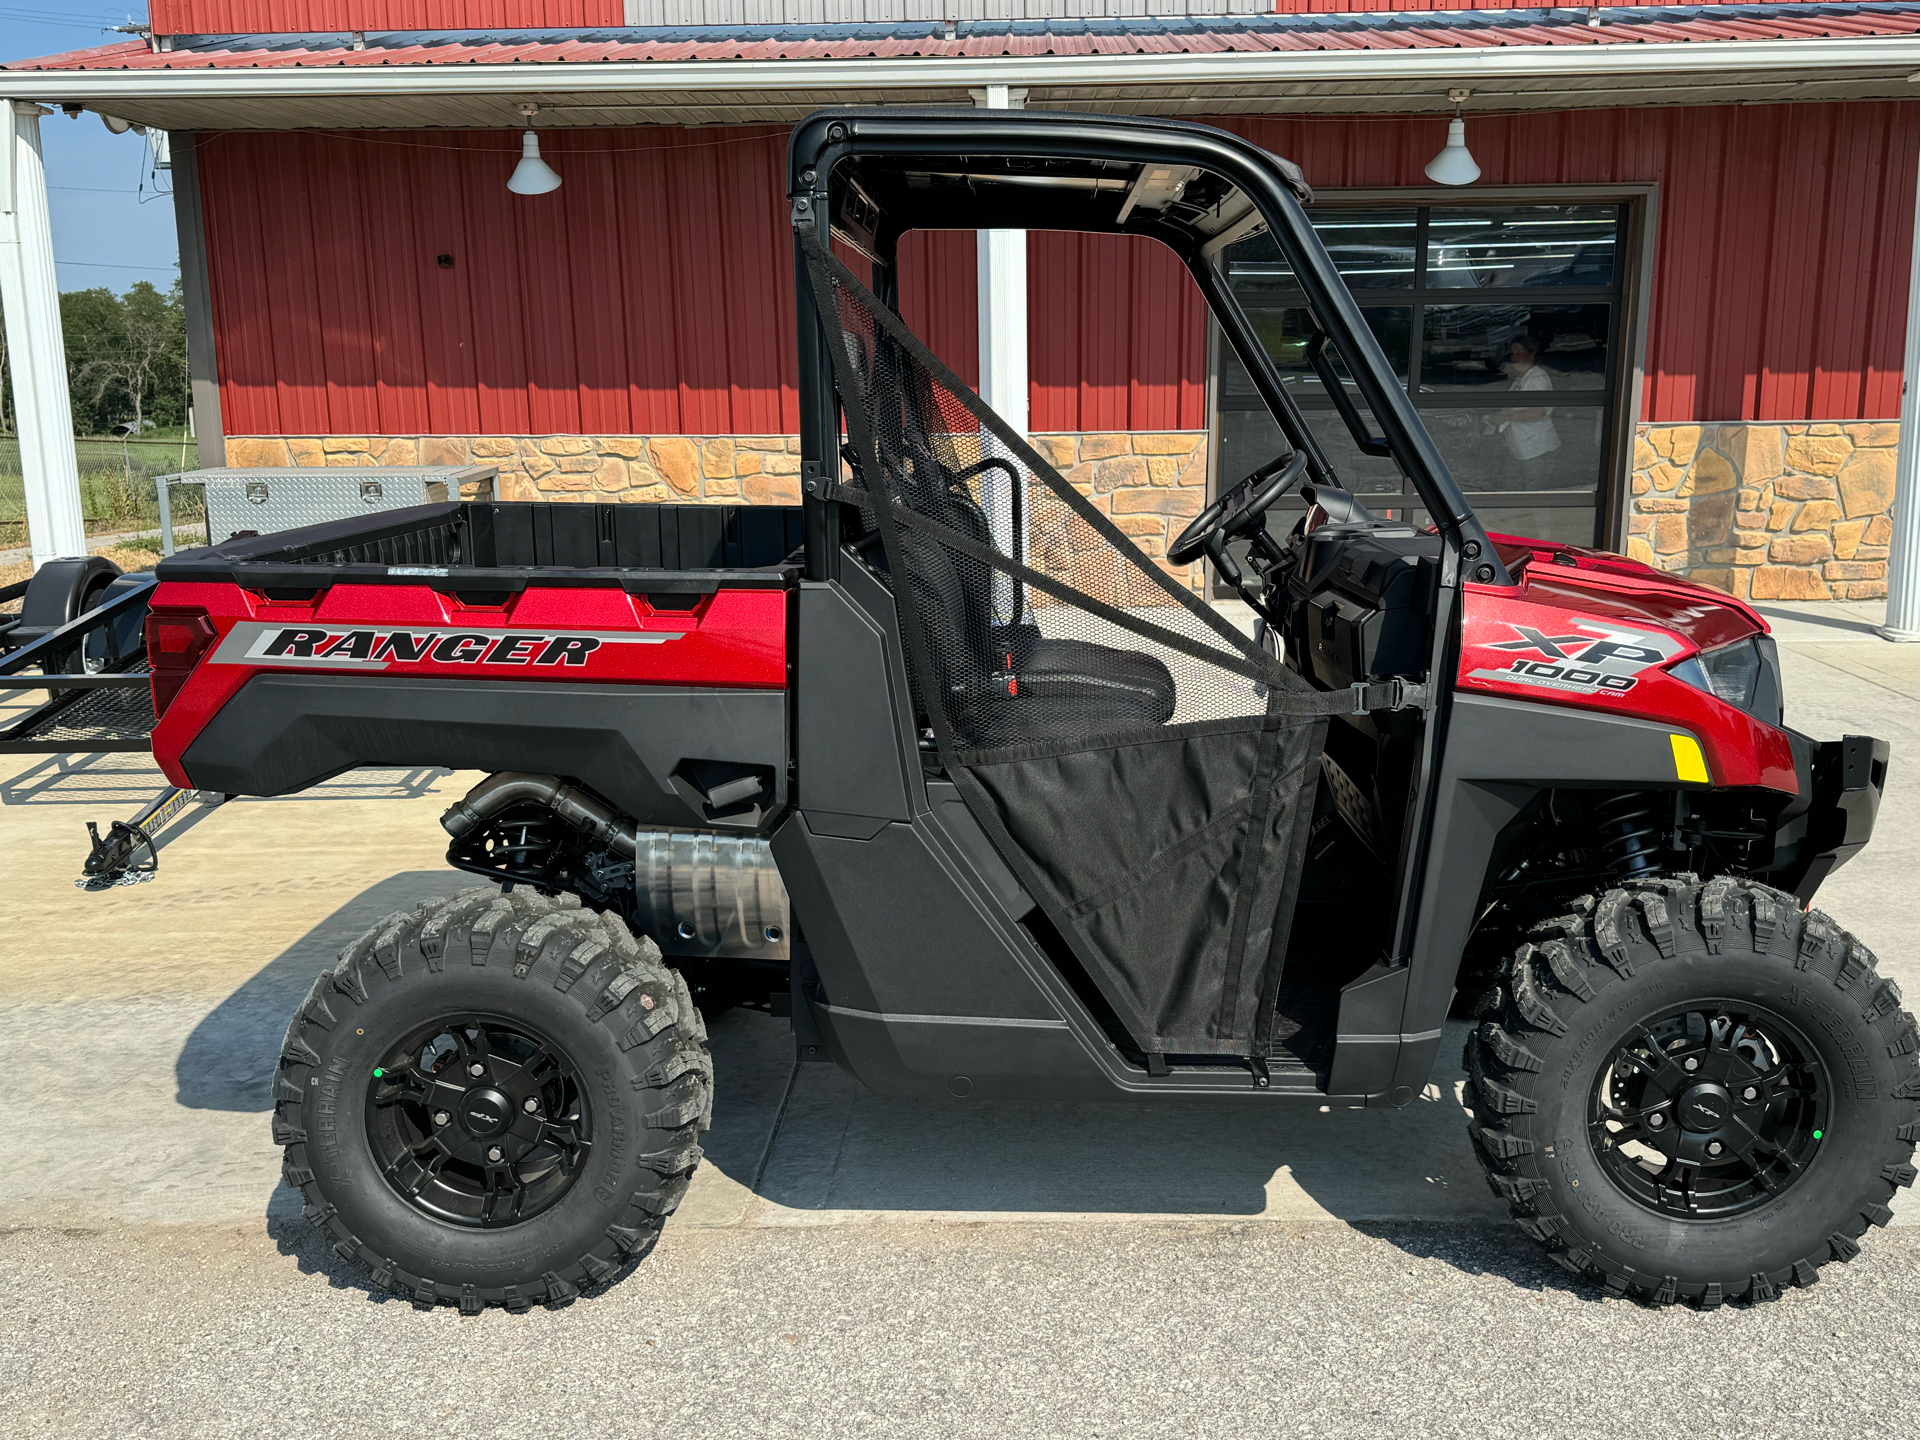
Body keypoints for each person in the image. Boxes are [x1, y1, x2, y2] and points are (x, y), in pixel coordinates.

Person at [1491, 333, 1559, 484]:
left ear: (1531, 355)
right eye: (1513, 354)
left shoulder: (1537, 377)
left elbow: (1539, 411)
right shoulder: (1520, 378)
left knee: (1534, 492)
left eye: (1519, 354)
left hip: (1538, 449)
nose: (1515, 358)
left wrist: (1508, 416)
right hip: (1523, 448)